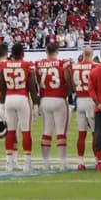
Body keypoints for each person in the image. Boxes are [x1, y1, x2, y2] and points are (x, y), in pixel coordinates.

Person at [0, 42, 37, 172]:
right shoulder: (27, 65)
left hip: (9, 98)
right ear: (23, 53)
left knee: (11, 131)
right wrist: (36, 103)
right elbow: (31, 87)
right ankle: (27, 163)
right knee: (26, 131)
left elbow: (1, 87)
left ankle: (9, 163)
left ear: (12, 54)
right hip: (22, 98)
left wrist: (2, 105)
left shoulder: (4, 65)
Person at [34, 42, 70, 170]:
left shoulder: (39, 64)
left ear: (46, 51)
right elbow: (67, 78)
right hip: (59, 98)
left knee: (46, 132)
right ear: (57, 51)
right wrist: (68, 91)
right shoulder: (62, 63)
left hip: (45, 99)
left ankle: (46, 163)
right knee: (61, 132)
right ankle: (62, 163)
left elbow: (36, 81)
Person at [69, 46, 97, 169]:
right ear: (92, 54)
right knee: (96, 133)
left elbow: (72, 84)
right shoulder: (95, 66)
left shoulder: (74, 66)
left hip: (79, 99)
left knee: (81, 134)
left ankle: (81, 162)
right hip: (91, 100)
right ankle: (98, 160)